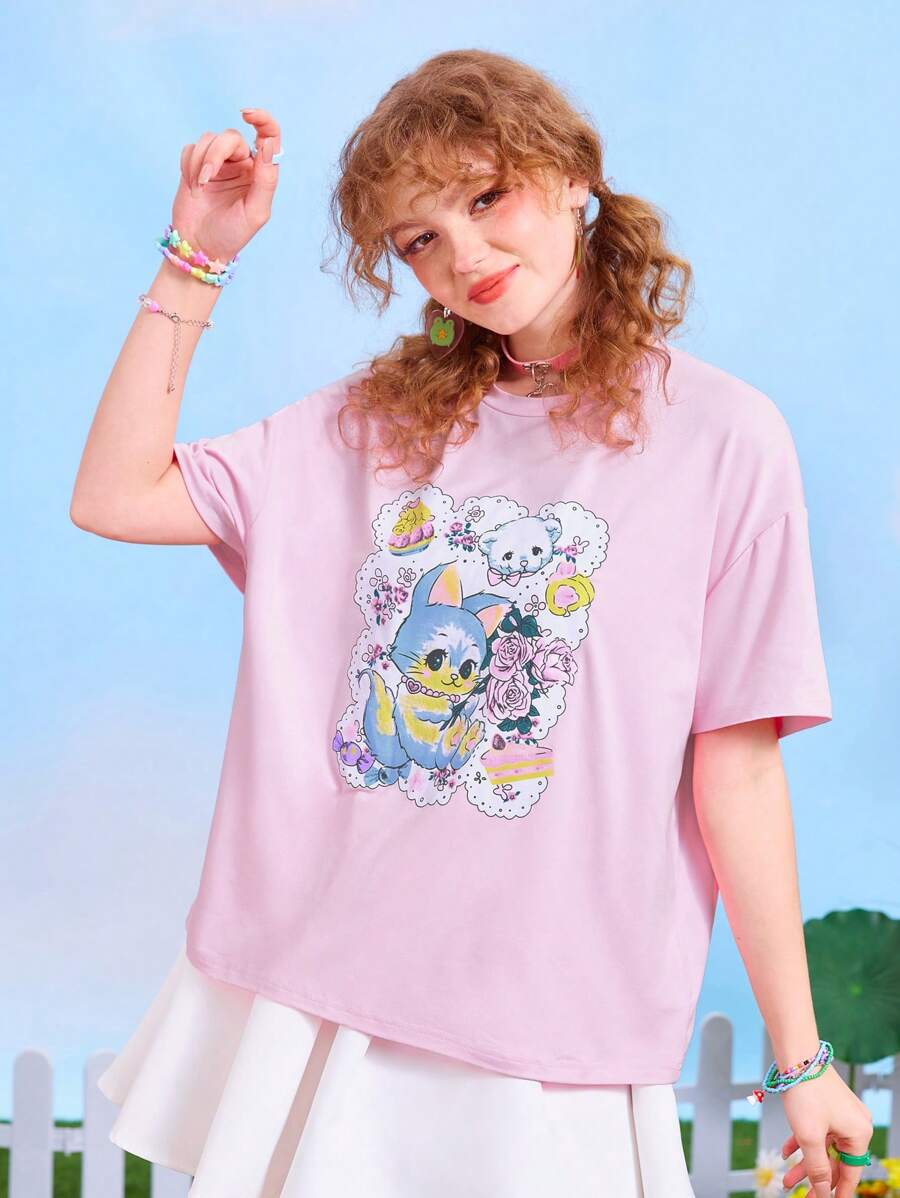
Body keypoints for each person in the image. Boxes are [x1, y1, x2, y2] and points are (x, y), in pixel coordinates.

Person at [71, 49, 873, 1198]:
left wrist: (800, 1058)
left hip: (555, 1014)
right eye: (419, 239)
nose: (465, 255)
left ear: (573, 175)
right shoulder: (371, 427)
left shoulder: (725, 440)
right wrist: (197, 256)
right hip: (336, 996)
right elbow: (113, 494)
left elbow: (736, 766)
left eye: (487, 196)